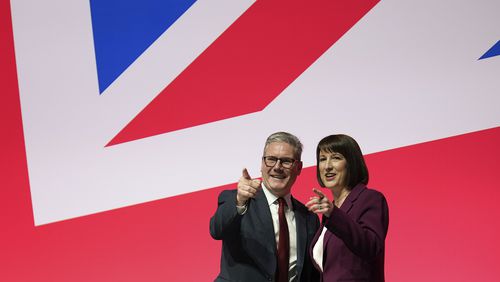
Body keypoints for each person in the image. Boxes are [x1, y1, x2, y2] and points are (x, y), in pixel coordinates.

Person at [210, 132, 320, 282]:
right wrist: (240, 200)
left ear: (299, 167)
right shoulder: (237, 199)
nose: (277, 167)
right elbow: (216, 230)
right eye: (271, 159)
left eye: (286, 161)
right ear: (262, 164)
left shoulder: (309, 217)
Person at [305, 134, 389, 281]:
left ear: (351, 163)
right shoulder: (329, 212)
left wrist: (333, 213)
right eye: (322, 159)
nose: (327, 166)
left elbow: (371, 246)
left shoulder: (370, 199)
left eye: (336, 158)